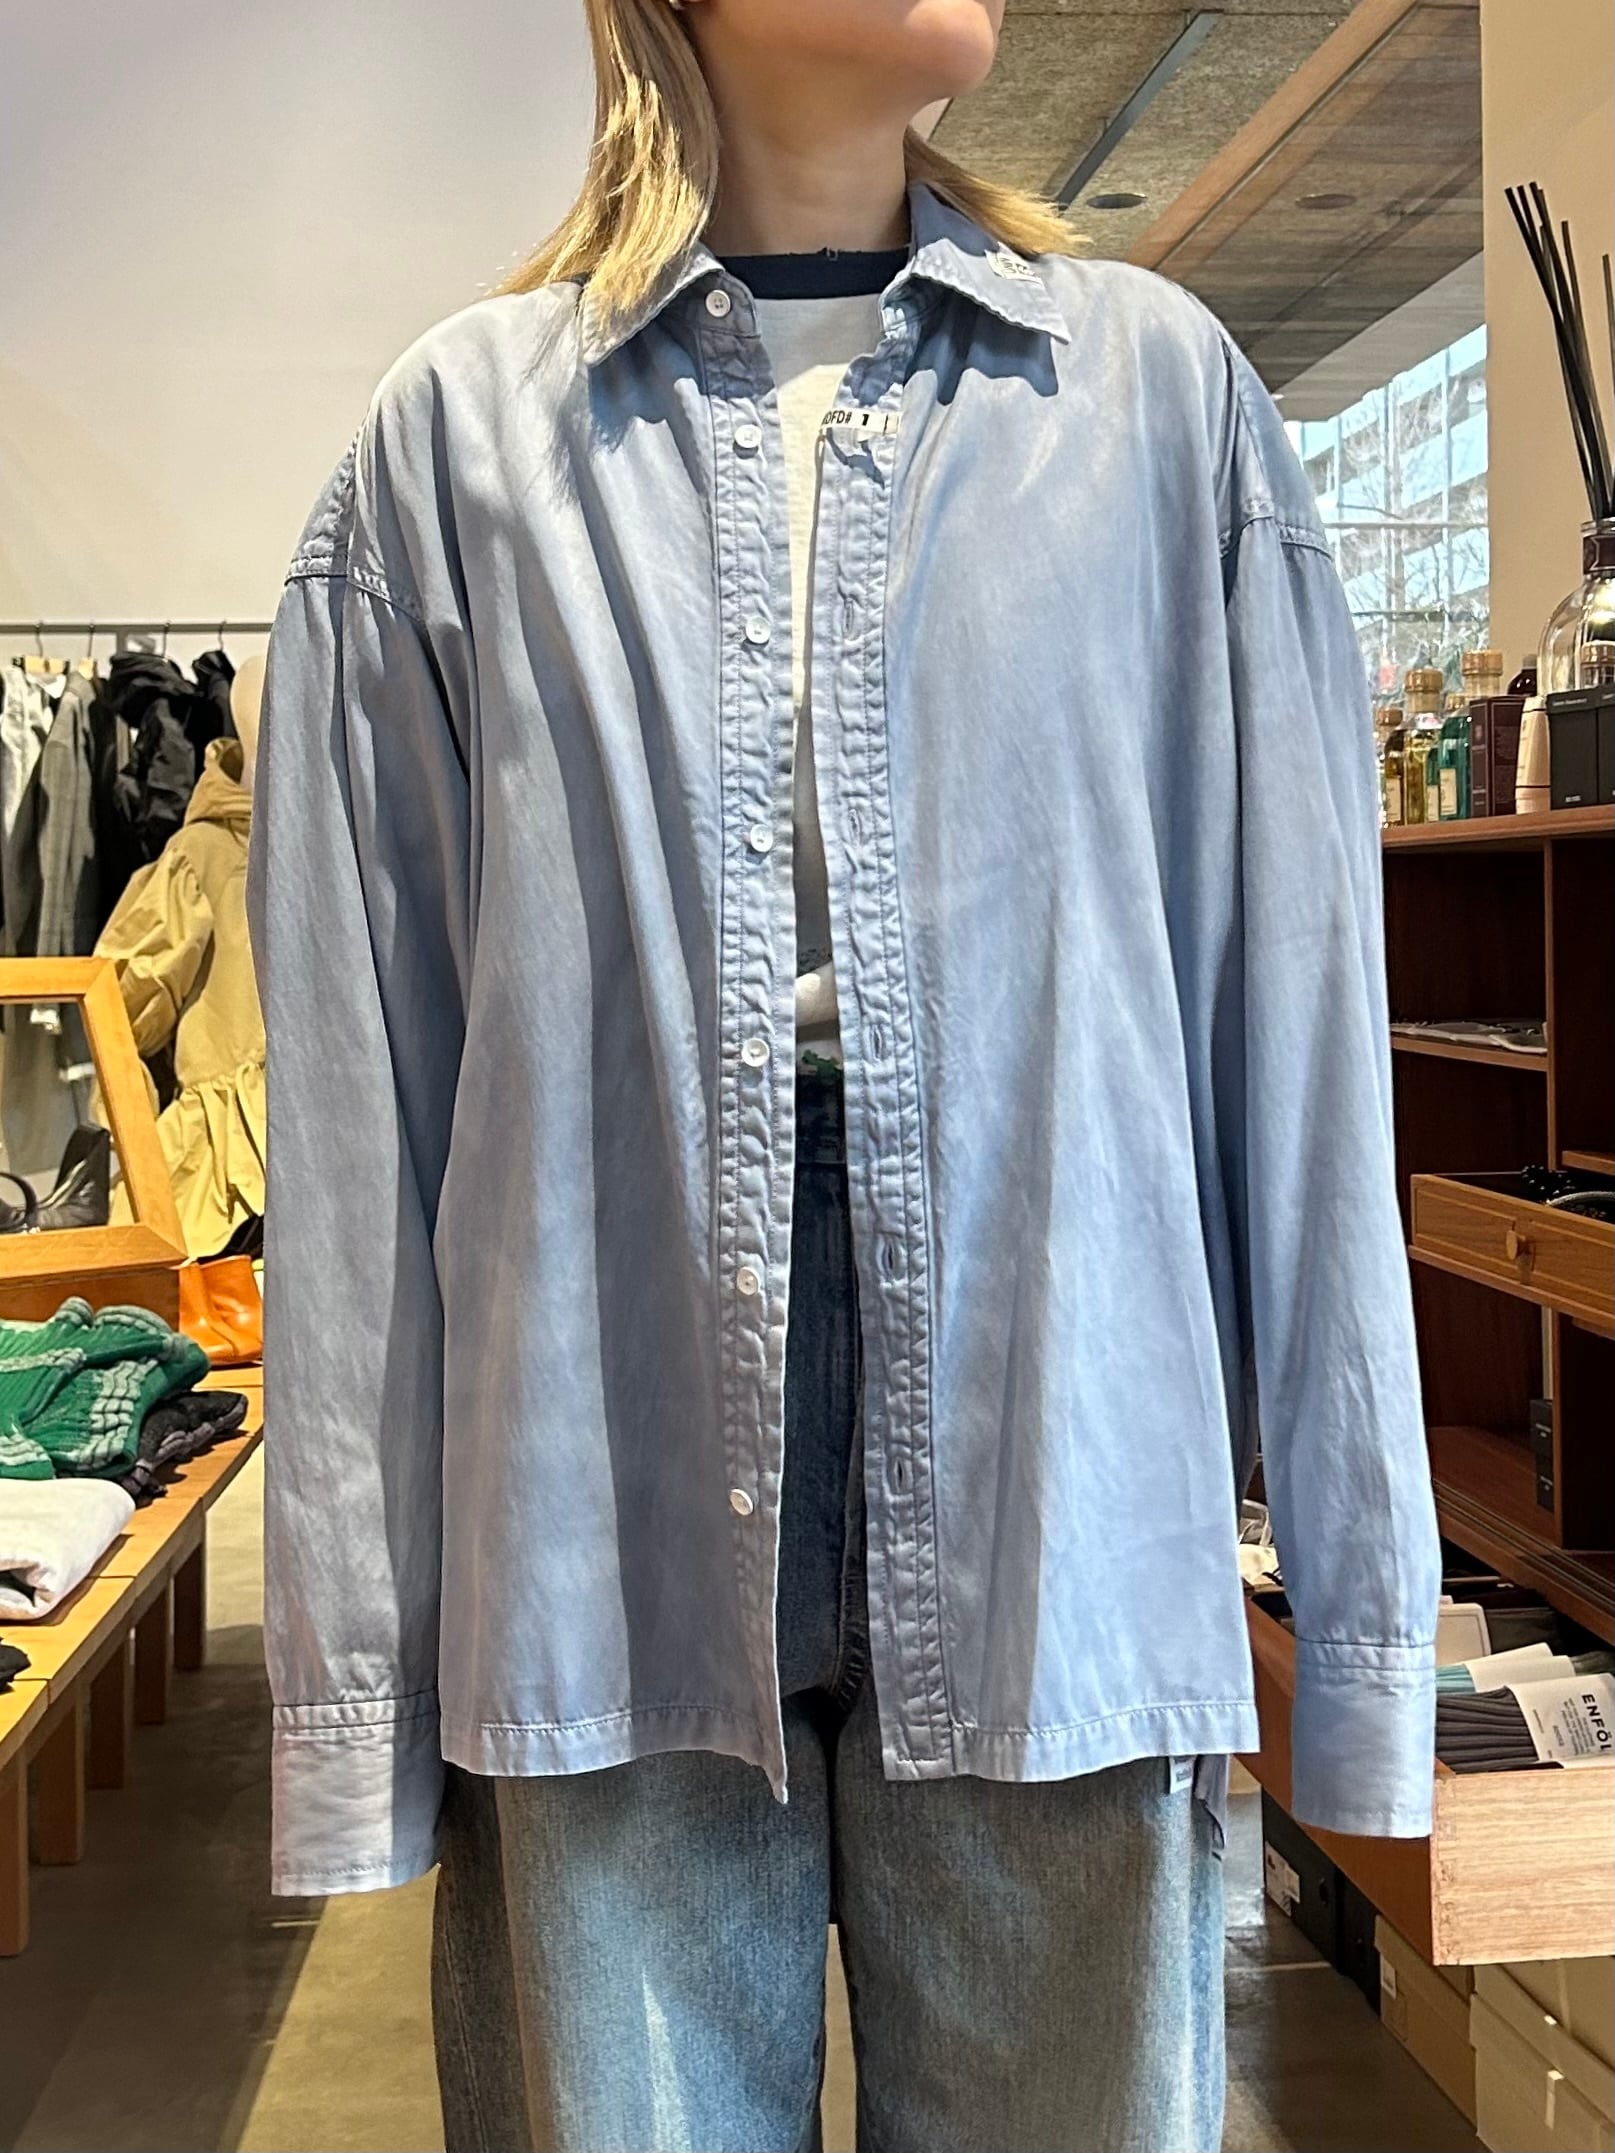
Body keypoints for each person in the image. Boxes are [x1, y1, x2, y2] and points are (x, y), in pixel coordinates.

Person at [246, 2, 1443, 2147]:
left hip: (1057, 1479)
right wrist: (356, 1685)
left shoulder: (1155, 406)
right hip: (595, 1483)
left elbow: (1297, 1054)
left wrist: (1356, 1623)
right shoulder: (456, 451)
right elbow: (365, 1129)